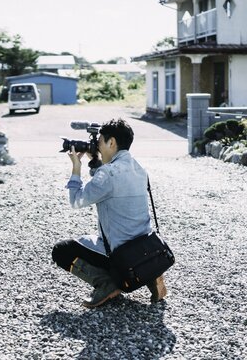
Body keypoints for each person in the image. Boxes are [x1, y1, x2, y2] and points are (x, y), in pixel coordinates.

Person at [51, 118, 168, 308]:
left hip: (121, 255)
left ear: (111, 142)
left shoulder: (108, 174)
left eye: (99, 143)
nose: (97, 147)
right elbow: (107, 184)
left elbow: (77, 200)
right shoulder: (138, 168)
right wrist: (96, 161)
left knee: (61, 250)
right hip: (147, 249)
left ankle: (107, 283)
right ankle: (152, 276)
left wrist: (76, 168)